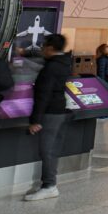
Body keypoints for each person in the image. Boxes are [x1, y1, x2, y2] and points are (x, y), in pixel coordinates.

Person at [24, 33, 72, 200]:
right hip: (60, 110)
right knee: (52, 149)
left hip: (50, 112)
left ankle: (49, 185)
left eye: (44, 47)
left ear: (51, 48)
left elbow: (43, 94)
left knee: (47, 150)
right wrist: (25, 53)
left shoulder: (51, 68)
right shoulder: (64, 62)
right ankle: (49, 183)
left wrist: (35, 120)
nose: (42, 49)